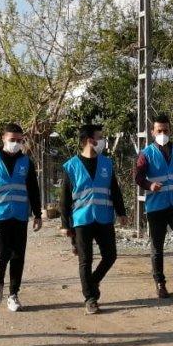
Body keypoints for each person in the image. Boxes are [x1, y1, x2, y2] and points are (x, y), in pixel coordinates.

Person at [0, 122, 42, 312]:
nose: (16, 143)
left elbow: (33, 190)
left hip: (19, 215)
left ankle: (13, 295)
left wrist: (37, 214)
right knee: (2, 252)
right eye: (12, 140)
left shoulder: (26, 162)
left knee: (18, 255)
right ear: (3, 139)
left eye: (20, 140)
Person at [60, 125, 128, 314]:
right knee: (85, 260)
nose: (103, 140)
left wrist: (121, 212)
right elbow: (64, 198)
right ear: (90, 140)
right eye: (100, 137)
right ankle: (90, 298)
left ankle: (93, 280)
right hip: (82, 219)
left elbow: (115, 190)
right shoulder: (71, 166)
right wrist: (65, 224)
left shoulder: (106, 164)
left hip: (104, 217)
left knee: (110, 255)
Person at [134, 113, 173, 301]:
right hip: (156, 206)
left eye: (166, 130)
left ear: (170, 131)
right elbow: (138, 177)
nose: (163, 133)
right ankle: (160, 283)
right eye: (159, 130)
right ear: (153, 132)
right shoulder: (146, 154)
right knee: (157, 247)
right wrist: (149, 185)